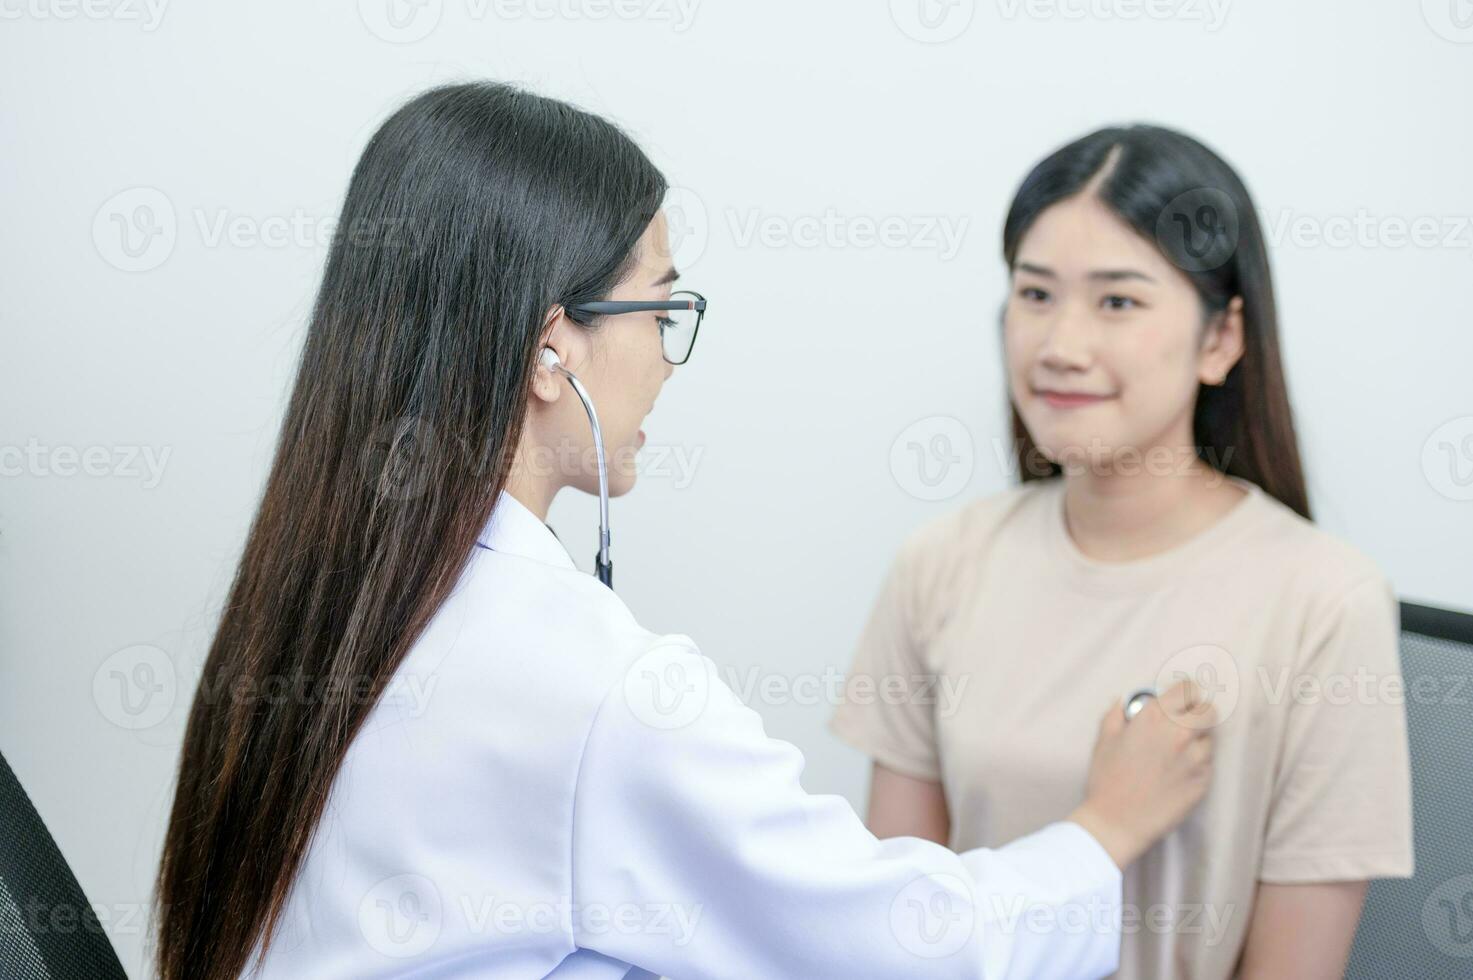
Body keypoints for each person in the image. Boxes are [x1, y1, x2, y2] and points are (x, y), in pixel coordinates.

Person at [153, 84, 1215, 980]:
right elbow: (911, 948)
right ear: (549, 348)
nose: (666, 355)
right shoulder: (593, 690)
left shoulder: (326, 603)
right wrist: (1108, 825)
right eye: (660, 309)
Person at [831, 125, 1413, 980]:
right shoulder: (942, 562)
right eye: (1035, 295)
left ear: (1220, 339)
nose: (1060, 344)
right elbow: (898, 931)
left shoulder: (1325, 604)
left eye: (1117, 301)